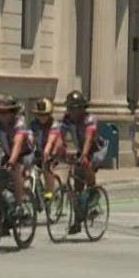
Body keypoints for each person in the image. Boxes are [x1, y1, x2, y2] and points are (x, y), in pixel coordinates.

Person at [46, 90, 107, 234]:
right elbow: (59, 136)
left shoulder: (90, 119)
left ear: (82, 108)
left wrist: (84, 155)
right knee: (76, 188)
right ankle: (78, 220)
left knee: (86, 165)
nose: (72, 111)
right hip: (81, 149)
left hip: (96, 149)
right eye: (70, 108)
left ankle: (93, 192)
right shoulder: (67, 119)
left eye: (75, 108)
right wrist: (57, 152)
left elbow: (89, 137)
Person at [28, 98, 58, 202]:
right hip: (39, 151)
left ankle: (50, 192)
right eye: (39, 114)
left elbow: (51, 140)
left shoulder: (54, 124)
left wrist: (47, 151)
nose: (42, 117)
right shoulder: (34, 124)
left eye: (45, 114)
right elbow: (30, 137)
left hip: (54, 150)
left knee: (47, 166)